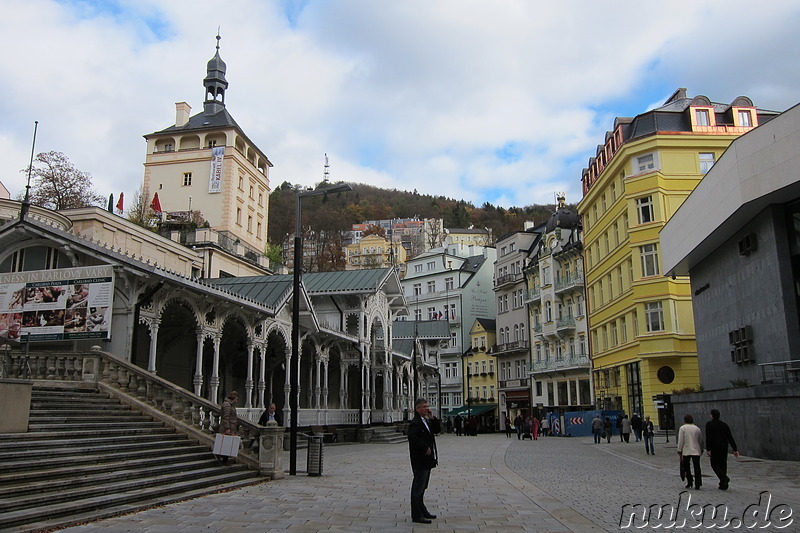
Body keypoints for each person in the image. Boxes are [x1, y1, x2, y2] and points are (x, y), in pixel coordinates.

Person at [407, 398, 439, 524]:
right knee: (418, 487)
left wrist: (433, 418)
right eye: (424, 406)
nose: (427, 408)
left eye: (427, 406)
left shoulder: (425, 420)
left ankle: (422, 510)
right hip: (420, 460)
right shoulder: (416, 422)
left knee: (423, 486)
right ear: (417, 408)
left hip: (427, 460)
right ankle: (416, 515)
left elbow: (436, 430)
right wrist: (424, 447)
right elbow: (412, 437)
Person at [705, 409, 739, 490]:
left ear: (712, 415)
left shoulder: (709, 424)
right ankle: (723, 484)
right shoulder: (724, 425)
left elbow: (708, 437)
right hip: (724, 446)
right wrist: (735, 449)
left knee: (714, 464)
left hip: (714, 447)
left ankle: (724, 478)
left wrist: (708, 448)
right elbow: (730, 437)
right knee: (723, 464)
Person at [677, 413, 704, 489]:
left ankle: (690, 481)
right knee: (697, 467)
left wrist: (679, 450)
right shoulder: (697, 428)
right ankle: (698, 483)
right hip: (696, 449)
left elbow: (681, 440)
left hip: (686, 450)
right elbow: (701, 440)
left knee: (686, 466)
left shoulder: (683, 428)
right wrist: (701, 449)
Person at [218, 391, 239, 464]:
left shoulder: (230, 405)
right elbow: (225, 417)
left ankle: (225, 460)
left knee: (227, 444)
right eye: (236, 399)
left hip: (230, 426)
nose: (236, 401)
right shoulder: (227, 405)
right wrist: (227, 428)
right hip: (227, 427)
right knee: (226, 444)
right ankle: (223, 459)